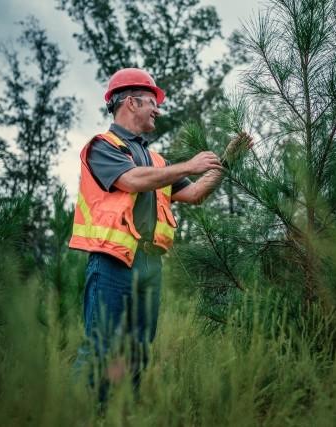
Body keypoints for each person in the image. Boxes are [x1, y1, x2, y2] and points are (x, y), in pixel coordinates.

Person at [69, 68, 251, 402]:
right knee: (102, 348)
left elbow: (195, 193)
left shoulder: (155, 159)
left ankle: (119, 415)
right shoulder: (102, 147)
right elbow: (132, 180)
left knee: (137, 353)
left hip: (149, 267)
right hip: (113, 263)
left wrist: (226, 162)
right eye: (152, 102)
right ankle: (76, 415)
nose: (158, 109)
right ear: (131, 101)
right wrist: (188, 165)